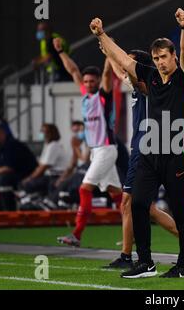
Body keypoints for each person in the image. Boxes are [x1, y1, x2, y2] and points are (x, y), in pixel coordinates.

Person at [91, 8, 184, 278]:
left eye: (164, 57)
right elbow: (123, 60)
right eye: (157, 58)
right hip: (150, 153)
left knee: (181, 212)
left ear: (173, 57)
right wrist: (102, 35)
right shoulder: (148, 76)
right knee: (137, 204)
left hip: (176, 154)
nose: (160, 62)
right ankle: (145, 262)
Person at [103, 49, 184, 269]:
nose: (127, 66)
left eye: (132, 64)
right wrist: (108, 51)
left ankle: (128, 256)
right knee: (140, 205)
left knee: (130, 203)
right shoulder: (136, 85)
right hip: (140, 147)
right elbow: (121, 71)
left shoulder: (149, 86)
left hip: (147, 149)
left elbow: (126, 72)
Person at [53, 37, 123, 247]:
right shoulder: (85, 96)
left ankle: (76, 234)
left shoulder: (104, 96)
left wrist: (108, 51)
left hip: (106, 149)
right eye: (86, 81)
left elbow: (108, 73)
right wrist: (60, 52)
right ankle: (136, 231)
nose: (89, 84)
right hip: (97, 151)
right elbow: (74, 71)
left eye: (92, 81)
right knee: (117, 195)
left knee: (84, 190)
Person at [0, 124, 38, 211]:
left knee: (3, 179)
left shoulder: (13, 145)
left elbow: (8, 168)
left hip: (25, 175)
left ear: (2, 134)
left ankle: (8, 211)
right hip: (8, 175)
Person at [21, 124, 69, 203]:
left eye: (43, 131)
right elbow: (40, 165)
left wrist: (29, 178)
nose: (41, 133)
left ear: (50, 133)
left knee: (28, 184)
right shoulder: (47, 145)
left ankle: (33, 201)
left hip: (57, 176)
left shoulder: (54, 146)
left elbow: (43, 167)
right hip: (50, 175)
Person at [47, 121, 90, 208]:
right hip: (79, 171)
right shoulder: (78, 145)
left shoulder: (89, 143)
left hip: (86, 171)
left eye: (80, 131)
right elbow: (72, 164)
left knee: (67, 182)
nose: (77, 134)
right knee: (55, 182)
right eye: (75, 132)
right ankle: (53, 203)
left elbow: (85, 160)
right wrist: (62, 177)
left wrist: (76, 147)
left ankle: (52, 201)